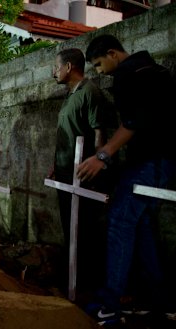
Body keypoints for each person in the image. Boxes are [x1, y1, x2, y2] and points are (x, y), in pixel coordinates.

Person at [76, 34, 176, 325]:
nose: (99, 71)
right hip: (164, 161)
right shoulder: (156, 71)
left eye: (98, 64)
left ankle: (109, 306)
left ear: (112, 54)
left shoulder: (127, 74)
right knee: (141, 226)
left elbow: (133, 122)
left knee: (119, 222)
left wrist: (103, 156)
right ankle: (161, 301)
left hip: (149, 161)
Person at [50, 48, 116, 294]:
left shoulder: (90, 93)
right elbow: (65, 134)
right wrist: (56, 165)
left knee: (85, 233)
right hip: (66, 174)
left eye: (57, 66)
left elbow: (99, 134)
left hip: (84, 177)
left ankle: (87, 288)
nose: (54, 72)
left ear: (69, 67)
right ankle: (71, 283)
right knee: (71, 230)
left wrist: (98, 168)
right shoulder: (70, 96)